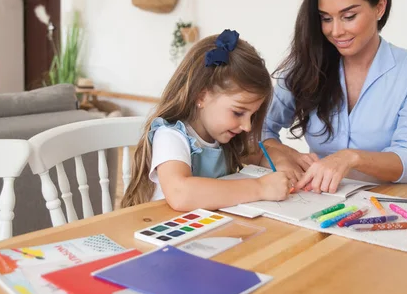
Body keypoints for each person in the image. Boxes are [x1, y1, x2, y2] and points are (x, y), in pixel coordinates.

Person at [262, 0, 407, 193]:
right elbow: (258, 127)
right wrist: (282, 155)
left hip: (387, 202)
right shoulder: (307, 63)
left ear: (380, 7)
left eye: (349, 16)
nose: (336, 31)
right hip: (318, 201)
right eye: (326, 18)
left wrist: (351, 158)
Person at [122, 30, 291, 211]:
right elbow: (181, 193)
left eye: (252, 115)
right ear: (201, 96)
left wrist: (280, 162)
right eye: (238, 112)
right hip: (165, 231)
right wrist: (260, 188)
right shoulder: (170, 136)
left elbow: (257, 155)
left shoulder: (222, 137)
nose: (247, 126)